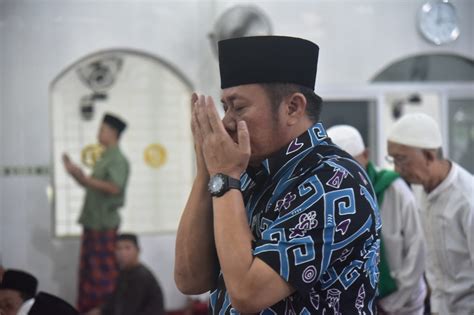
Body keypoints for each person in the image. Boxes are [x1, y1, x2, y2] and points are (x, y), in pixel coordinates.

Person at [174, 36, 381, 314]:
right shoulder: (242, 173)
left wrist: (223, 175)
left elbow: (248, 294)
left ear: (292, 108)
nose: (226, 123)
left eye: (239, 107)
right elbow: (190, 279)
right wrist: (206, 171)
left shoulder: (335, 180)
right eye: (225, 108)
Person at [327, 125, 427, 315]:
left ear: (365, 155)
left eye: (350, 164)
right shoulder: (331, 197)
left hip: (403, 304)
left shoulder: (394, 188)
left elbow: (417, 250)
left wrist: (390, 305)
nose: (344, 175)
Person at [387, 113, 474, 315]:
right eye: (393, 160)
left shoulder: (467, 200)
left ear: (429, 155)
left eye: (402, 160)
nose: (397, 169)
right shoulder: (421, 187)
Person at [63, 113, 130, 313]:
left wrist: (84, 177)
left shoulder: (117, 159)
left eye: (102, 130)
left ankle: (102, 310)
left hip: (104, 223)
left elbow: (114, 187)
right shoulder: (104, 156)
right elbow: (92, 186)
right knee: (89, 273)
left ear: (113, 133)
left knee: (102, 274)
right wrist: (77, 174)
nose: (98, 133)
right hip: (93, 221)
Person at [86, 233, 165, 315]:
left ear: (138, 250)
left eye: (127, 248)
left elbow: (128, 310)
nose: (122, 253)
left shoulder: (141, 277)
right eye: (119, 248)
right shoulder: (124, 273)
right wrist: (99, 311)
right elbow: (114, 301)